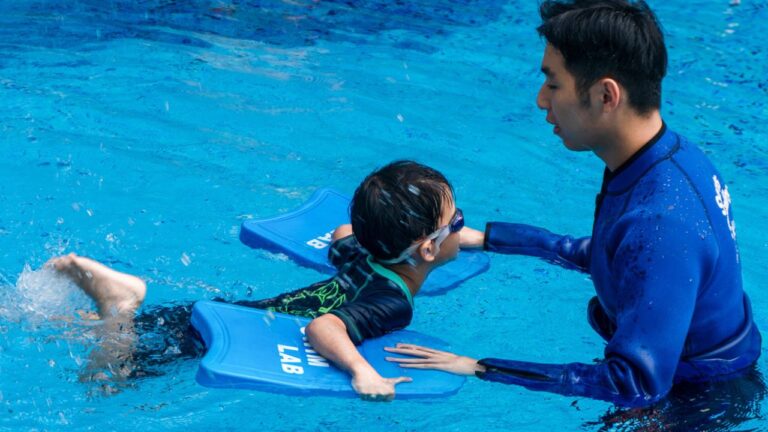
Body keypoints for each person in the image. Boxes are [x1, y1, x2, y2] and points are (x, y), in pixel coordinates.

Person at [386, 0, 761, 408]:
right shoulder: (668, 159)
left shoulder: (662, 222)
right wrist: (484, 239)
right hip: (686, 371)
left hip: (697, 403)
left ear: (605, 95)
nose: (540, 100)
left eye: (553, 84)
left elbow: (633, 383)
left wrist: (475, 366)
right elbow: (614, 253)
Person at [49, 160, 464, 401]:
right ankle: (121, 303)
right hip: (225, 339)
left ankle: (69, 316)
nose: (465, 229)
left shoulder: (360, 254)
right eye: (458, 222)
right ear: (426, 249)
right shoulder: (395, 303)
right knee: (108, 383)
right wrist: (361, 372)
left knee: (89, 337)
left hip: (238, 313)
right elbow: (325, 326)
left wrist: (442, 232)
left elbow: (341, 234)